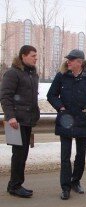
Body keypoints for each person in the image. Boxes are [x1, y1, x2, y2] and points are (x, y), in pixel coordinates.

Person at [47, 49, 86, 200]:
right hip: (65, 121)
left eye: (71, 60)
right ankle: (65, 188)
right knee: (65, 156)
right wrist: (61, 107)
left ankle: (75, 181)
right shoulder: (61, 76)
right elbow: (51, 95)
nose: (68, 62)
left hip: (82, 121)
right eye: (68, 59)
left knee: (81, 155)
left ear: (80, 62)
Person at [0, 45, 40, 198]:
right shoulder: (12, 73)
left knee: (23, 154)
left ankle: (15, 184)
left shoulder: (31, 74)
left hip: (27, 120)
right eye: (33, 55)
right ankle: (15, 186)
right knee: (18, 154)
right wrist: (10, 116)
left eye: (36, 56)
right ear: (23, 56)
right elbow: (5, 97)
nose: (36, 58)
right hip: (14, 122)